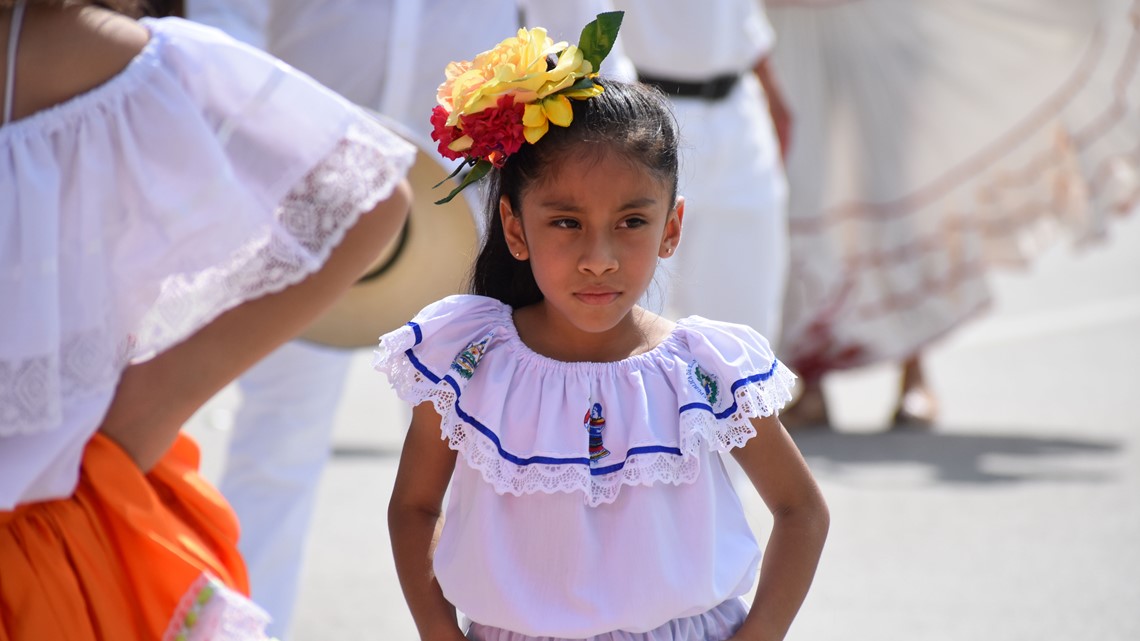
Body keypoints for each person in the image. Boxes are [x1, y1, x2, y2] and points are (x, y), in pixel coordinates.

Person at [183, 2, 634, 637]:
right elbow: (225, 24)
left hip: (478, 220)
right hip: (301, 198)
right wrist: (264, 136)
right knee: (278, 433)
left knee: (489, 449)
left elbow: (584, 41)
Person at [374, 20, 829, 641]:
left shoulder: (704, 369)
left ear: (672, 228)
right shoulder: (469, 359)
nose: (600, 257)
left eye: (632, 221)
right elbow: (413, 508)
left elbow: (802, 511)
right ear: (514, 227)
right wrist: (438, 632)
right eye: (565, 222)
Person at [0, 1, 413, 639]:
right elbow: (365, 197)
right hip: (55, 540)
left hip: (47, 537)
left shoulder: (114, 61)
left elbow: (364, 194)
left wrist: (148, 405)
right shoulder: (121, 61)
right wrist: (148, 406)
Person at [764, 0, 1140, 428]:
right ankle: (810, 381)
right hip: (784, 30)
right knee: (801, 195)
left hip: (877, 22)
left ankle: (913, 374)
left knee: (897, 188)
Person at [612, 0, 792, 343]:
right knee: (637, 321)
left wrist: (770, 84)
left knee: (745, 325)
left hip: (739, 106)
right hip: (642, 110)